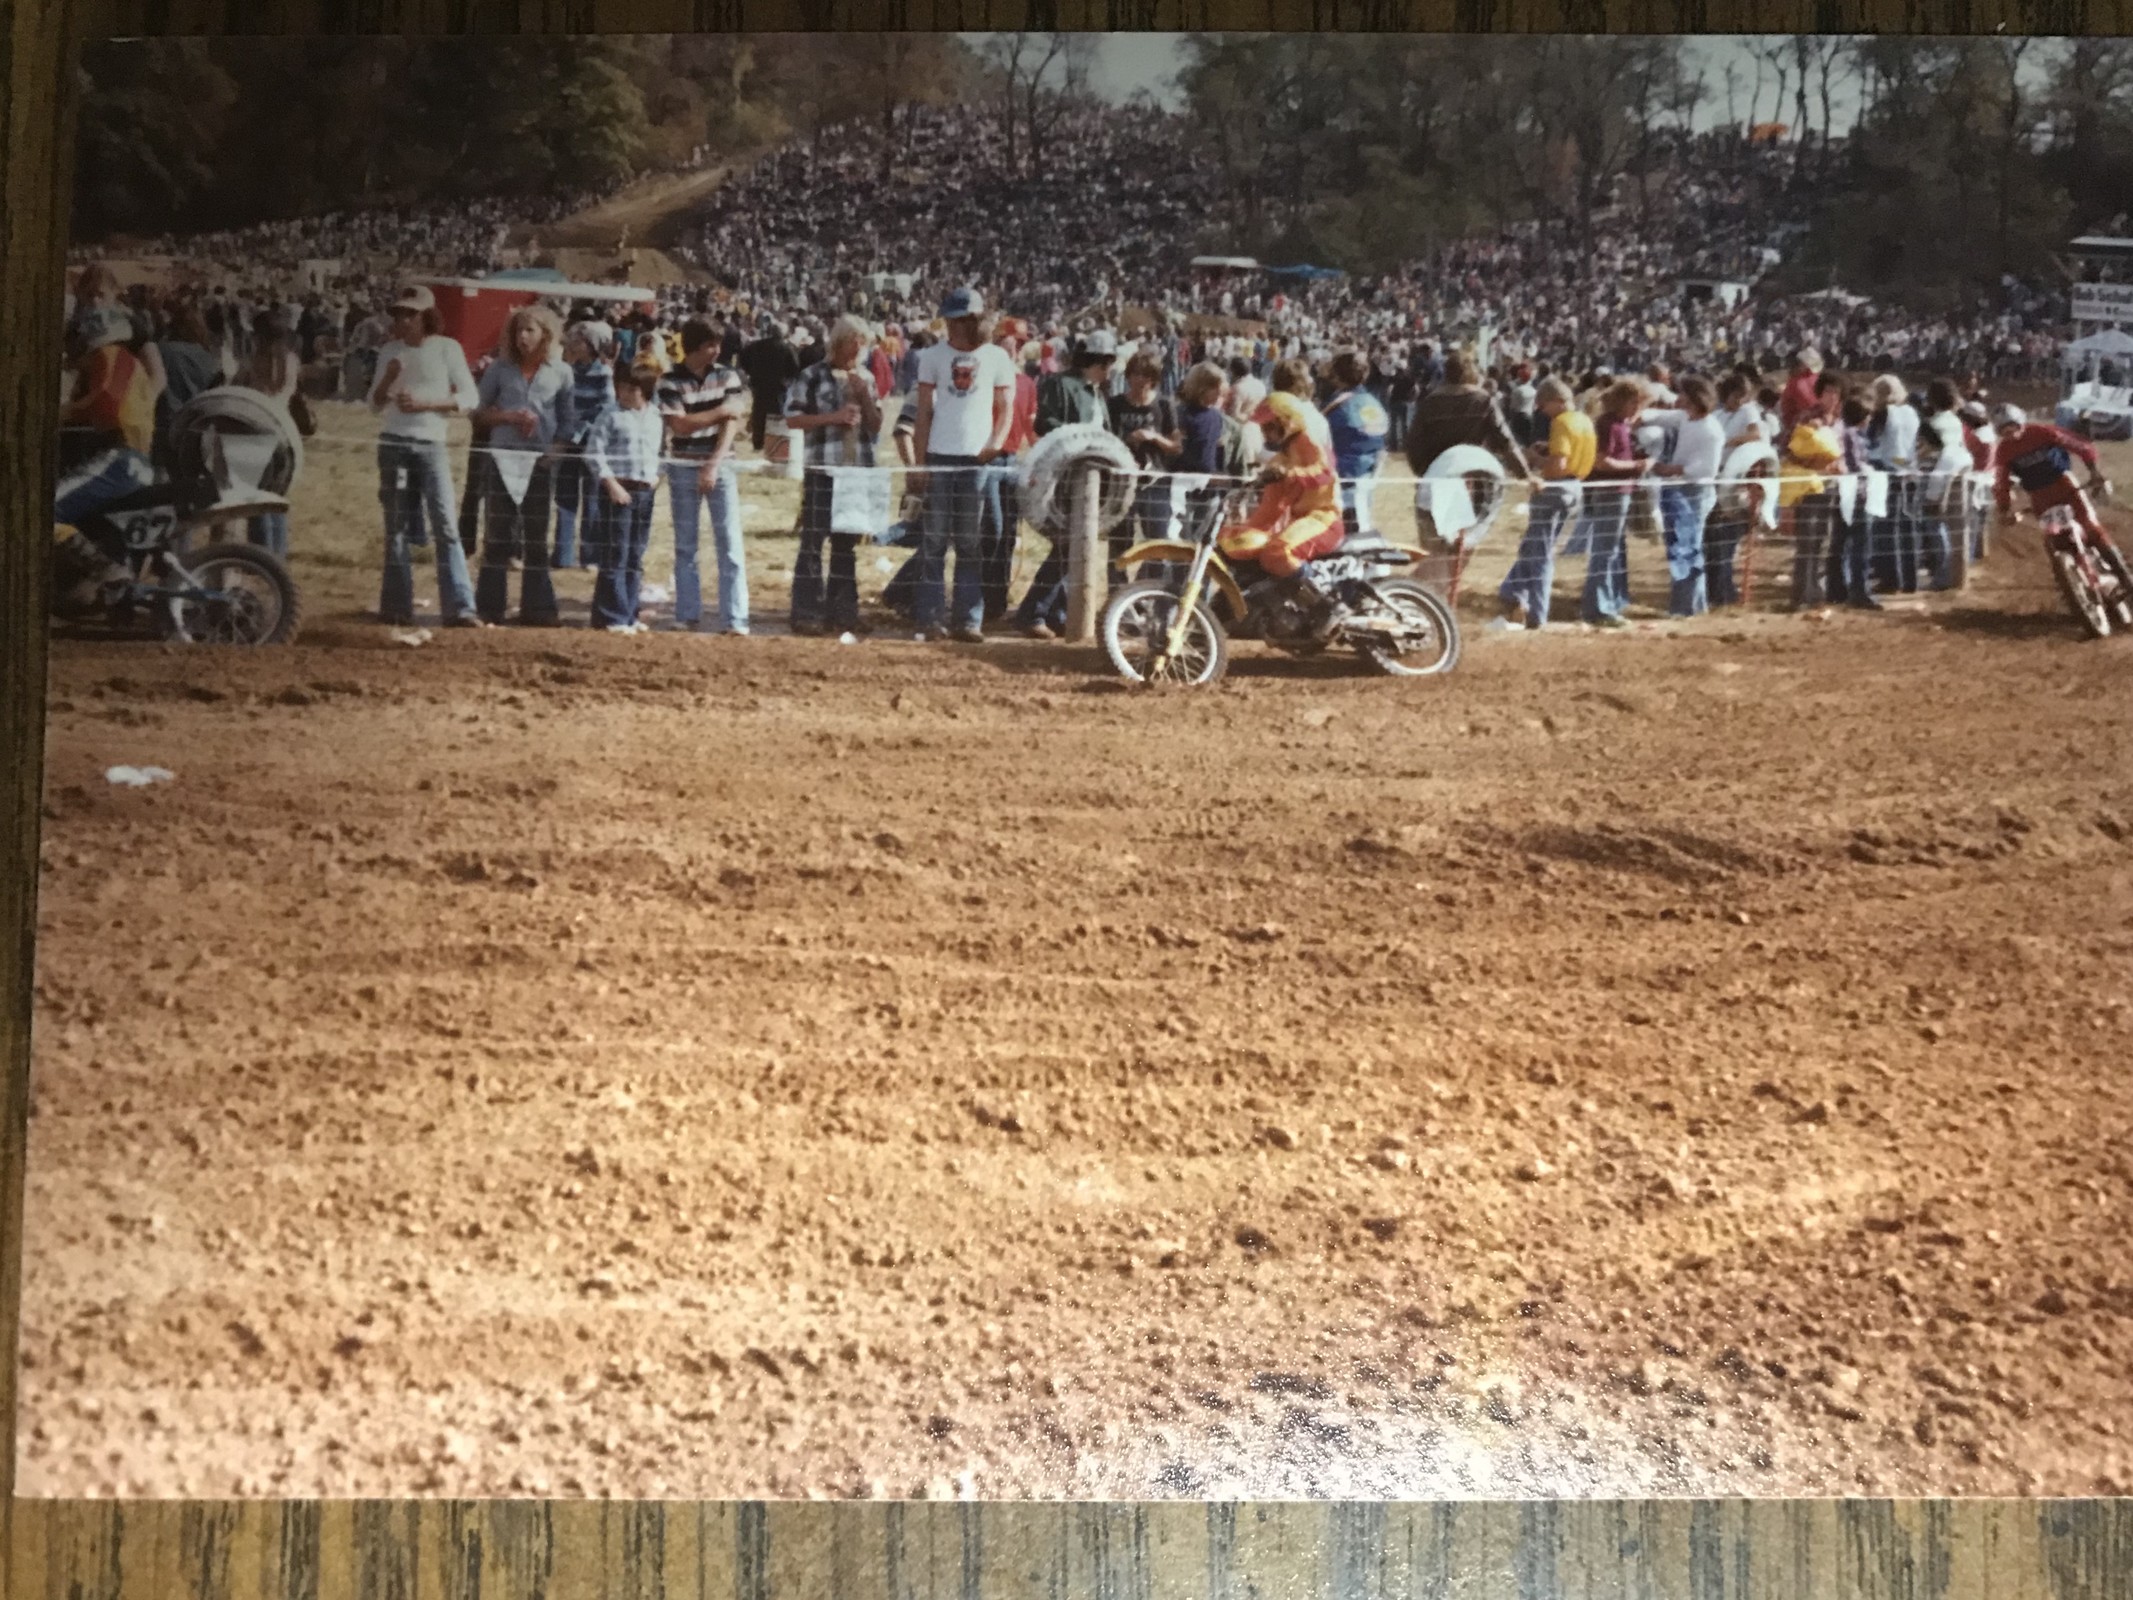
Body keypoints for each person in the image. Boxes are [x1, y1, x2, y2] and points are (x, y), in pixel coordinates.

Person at [368, 284, 481, 627]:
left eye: (410, 314)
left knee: (445, 523)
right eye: (399, 313)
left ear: (426, 316)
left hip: (431, 443)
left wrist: (427, 404)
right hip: (394, 442)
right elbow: (373, 405)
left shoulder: (447, 349)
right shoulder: (389, 350)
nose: (403, 320)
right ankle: (396, 606)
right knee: (397, 527)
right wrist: (387, 380)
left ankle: (460, 606)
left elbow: (469, 397)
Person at [910, 287, 1015, 643]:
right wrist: (919, 462)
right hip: (940, 454)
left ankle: (969, 619)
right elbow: (923, 412)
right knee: (935, 540)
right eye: (951, 322)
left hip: (976, 459)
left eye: (960, 322)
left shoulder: (998, 358)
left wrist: (995, 443)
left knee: (971, 543)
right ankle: (930, 617)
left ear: (975, 322)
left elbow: (1006, 407)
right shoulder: (932, 356)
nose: (953, 329)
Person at [471, 304, 575, 627]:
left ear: (545, 334)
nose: (523, 337)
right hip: (502, 460)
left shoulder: (561, 372)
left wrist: (553, 455)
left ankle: (539, 609)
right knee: (498, 535)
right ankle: (489, 607)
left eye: (529, 330)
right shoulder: (500, 370)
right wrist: (507, 417)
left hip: (540, 464)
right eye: (518, 331)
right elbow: (477, 411)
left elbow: (568, 422)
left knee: (536, 537)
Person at [784, 315, 882, 637]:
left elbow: (877, 425)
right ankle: (806, 611)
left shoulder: (866, 377)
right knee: (813, 539)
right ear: (839, 343)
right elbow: (793, 419)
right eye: (854, 343)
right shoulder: (811, 376)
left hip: (856, 472)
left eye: (862, 344)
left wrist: (864, 396)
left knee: (845, 543)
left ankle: (844, 612)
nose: (858, 350)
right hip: (823, 468)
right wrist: (833, 417)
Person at [656, 316, 751, 635]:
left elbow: (731, 424)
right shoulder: (669, 381)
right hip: (682, 466)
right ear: (694, 347)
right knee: (686, 545)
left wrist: (713, 463)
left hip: (721, 465)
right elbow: (678, 425)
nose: (716, 350)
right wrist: (720, 411)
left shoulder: (729, 375)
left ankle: (735, 618)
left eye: (718, 344)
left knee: (730, 543)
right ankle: (686, 613)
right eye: (710, 345)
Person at [1216, 392, 1346, 620]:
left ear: (1286, 421)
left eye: (1269, 426)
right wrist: (1246, 532)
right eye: (1263, 427)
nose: (1265, 433)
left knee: (1277, 552)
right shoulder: (1279, 461)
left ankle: (1325, 606)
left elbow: (1324, 473)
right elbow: (1270, 510)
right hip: (1302, 521)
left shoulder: (1310, 442)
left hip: (1324, 518)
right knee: (1258, 550)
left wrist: (1290, 474)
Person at [1498, 375, 1594, 628]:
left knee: (1539, 553)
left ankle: (1536, 613)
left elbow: (1558, 465)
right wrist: (1547, 449)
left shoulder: (1561, 423)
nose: (1542, 411)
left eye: (1543, 405)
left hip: (1555, 488)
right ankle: (1510, 591)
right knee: (1533, 546)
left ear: (1557, 401)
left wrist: (1536, 460)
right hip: (1576, 488)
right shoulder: (1584, 420)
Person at [584, 358, 669, 634]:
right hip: (618, 491)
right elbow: (593, 452)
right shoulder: (610, 415)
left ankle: (629, 612)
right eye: (621, 388)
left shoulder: (656, 417)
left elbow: (663, 452)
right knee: (615, 553)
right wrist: (611, 484)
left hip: (645, 491)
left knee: (635, 554)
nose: (624, 393)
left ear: (644, 390)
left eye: (631, 389)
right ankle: (612, 616)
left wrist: (658, 476)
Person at [1991, 404, 2118, 561]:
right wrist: (2004, 508)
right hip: (2039, 496)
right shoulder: (2003, 451)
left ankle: (2121, 570)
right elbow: (2001, 482)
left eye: (2012, 427)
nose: (2010, 434)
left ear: (2020, 423)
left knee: (2089, 525)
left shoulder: (2041, 432)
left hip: (2063, 483)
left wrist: (2094, 472)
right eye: (2004, 431)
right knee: (2055, 537)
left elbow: (2079, 445)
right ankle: (2071, 572)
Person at [1643, 375, 1725, 616]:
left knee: (1687, 548)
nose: (1678, 398)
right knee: (1683, 547)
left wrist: (1674, 469)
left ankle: (1687, 606)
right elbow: (1660, 416)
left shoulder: (1712, 430)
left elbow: (1708, 469)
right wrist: (1639, 416)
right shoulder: (1686, 418)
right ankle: (1693, 605)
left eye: (1683, 394)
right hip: (1678, 489)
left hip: (1695, 493)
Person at [1579, 378, 1649, 628]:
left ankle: (1602, 603)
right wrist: (1636, 466)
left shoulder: (1618, 424)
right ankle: (1598, 607)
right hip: (1612, 493)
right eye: (1635, 403)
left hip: (1617, 493)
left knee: (1608, 552)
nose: (1637, 409)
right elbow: (1601, 461)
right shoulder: (1609, 425)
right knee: (1604, 552)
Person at [553, 320, 618, 572]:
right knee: (564, 497)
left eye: (579, 341)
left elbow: (604, 408)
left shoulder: (603, 374)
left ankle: (590, 556)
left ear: (591, 346)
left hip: (590, 444)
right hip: (567, 443)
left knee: (592, 499)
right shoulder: (567, 371)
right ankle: (562, 553)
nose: (573, 344)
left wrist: (579, 432)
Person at [237, 310, 301, 557]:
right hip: (284, 427)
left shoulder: (256, 359)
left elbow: (242, 386)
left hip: (257, 426)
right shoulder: (291, 359)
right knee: (277, 496)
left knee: (257, 496)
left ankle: (261, 553)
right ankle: (278, 553)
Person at [1778, 391, 1845, 610]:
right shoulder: (1806, 425)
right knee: (1807, 544)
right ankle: (1802, 595)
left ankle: (1811, 592)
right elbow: (1794, 452)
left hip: (1823, 488)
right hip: (1806, 489)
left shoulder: (1836, 426)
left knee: (1816, 543)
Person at [1323, 350, 1392, 540]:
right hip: (1369, 475)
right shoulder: (1373, 402)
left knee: (1346, 535)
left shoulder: (1338, 405)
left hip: (1343, 478)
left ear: (1337, 376)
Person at [739, 318, 800, 452]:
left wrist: (751, 371)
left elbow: (742, 358)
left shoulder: (756, 345)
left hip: (759, 385)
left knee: (759, 413)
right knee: (777, 416)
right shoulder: (787, 348)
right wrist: (786, 379)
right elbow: (795, 368)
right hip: (778, 387)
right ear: (783, 334)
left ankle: (757, 442)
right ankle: (775, 444)